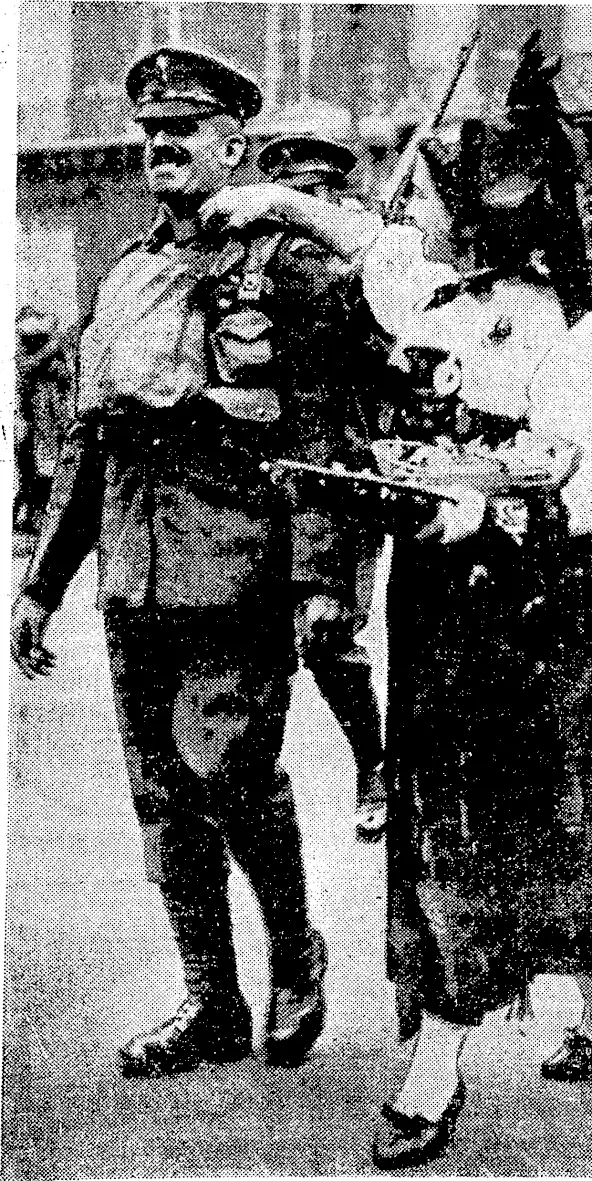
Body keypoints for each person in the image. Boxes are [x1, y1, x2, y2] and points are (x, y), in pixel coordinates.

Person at [199, 39, 592, 1170]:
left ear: (498, 218)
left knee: (554, 822)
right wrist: (269, 198)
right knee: (450, 835)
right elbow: (368, 245)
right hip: (448, 609)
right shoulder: (440, 296)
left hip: (550, 613)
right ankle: (473, 1041)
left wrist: (492, 501)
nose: (417, 206)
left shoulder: (581, 332)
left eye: (441, 193)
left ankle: (528, 1027)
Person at [10, 47, 339, 1079]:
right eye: (151, 129)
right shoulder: (128, 273)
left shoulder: (283, 265)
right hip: (134, 580)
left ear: (232, 146)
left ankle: (295, 954)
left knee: (232, 774)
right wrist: (40, 584)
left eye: (185, 129)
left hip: (235, 570)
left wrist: (323, 576)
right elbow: (88, 443)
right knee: (164, 800)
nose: (160, 144)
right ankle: (210, 1000)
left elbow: (325, 424)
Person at [257, 133, 387, 841]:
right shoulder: (257, 270)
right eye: (290, 199)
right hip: (261, 473)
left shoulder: (358, 275)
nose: (301, 214)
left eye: (315, 198)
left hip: (340, 471)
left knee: (326, 628)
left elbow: (389, 357)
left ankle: (373, 763)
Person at [14, 307, 74, 536]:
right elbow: (26, 368)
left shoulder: (54, 357)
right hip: (35, 420)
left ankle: (44, 519)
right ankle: (32, 516)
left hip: (52, 418)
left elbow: (65, 380)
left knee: (53, 469)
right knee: (33, 473)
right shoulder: (27, 357)